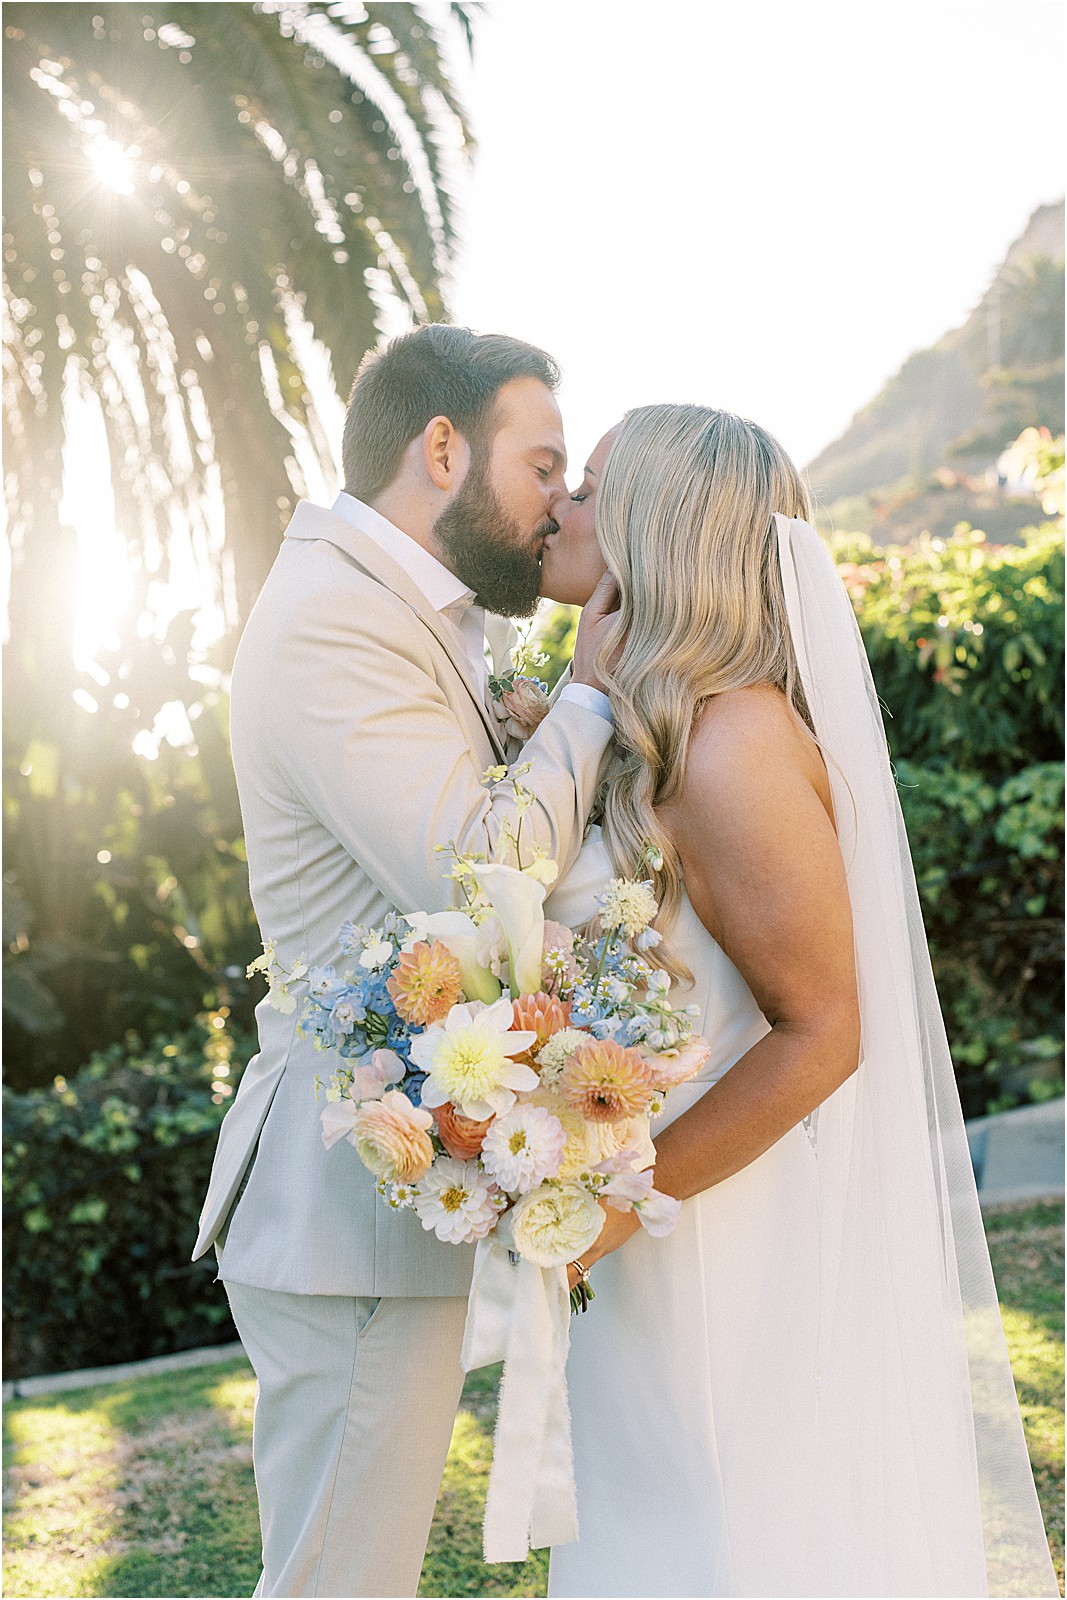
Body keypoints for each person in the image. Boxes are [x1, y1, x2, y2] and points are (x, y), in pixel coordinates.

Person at [538, 405, 1059, 1598]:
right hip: (658, 1227)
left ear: (653, 529)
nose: (563, 503)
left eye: (592, 486)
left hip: (718, 1231)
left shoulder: (731, 743)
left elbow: (824, 1030)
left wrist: (615, 1208)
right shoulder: (648, 727)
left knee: (722, 1542)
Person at [192, 324, 620, 1599]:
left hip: (372, 1206)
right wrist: (588, 700)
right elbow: (476, 871)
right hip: (343, 1210)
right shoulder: (334, 619)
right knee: (337, 1580)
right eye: (540, 465)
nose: (557, 503)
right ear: (441, 447)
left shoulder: (397, 608)